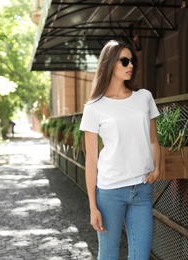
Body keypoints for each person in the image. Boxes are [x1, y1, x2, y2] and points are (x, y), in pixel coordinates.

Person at [79, 39, 161, 260]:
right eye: (124, 61)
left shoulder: (144, 97)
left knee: (141, 256)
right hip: (109, 193)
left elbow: (154, 140)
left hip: (141, 190)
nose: (130, 65)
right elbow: (91, 161)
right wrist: (92, 206)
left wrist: (157, 167)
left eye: (132, 61)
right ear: (109, 64)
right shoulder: (94, 108)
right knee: (108, 255)